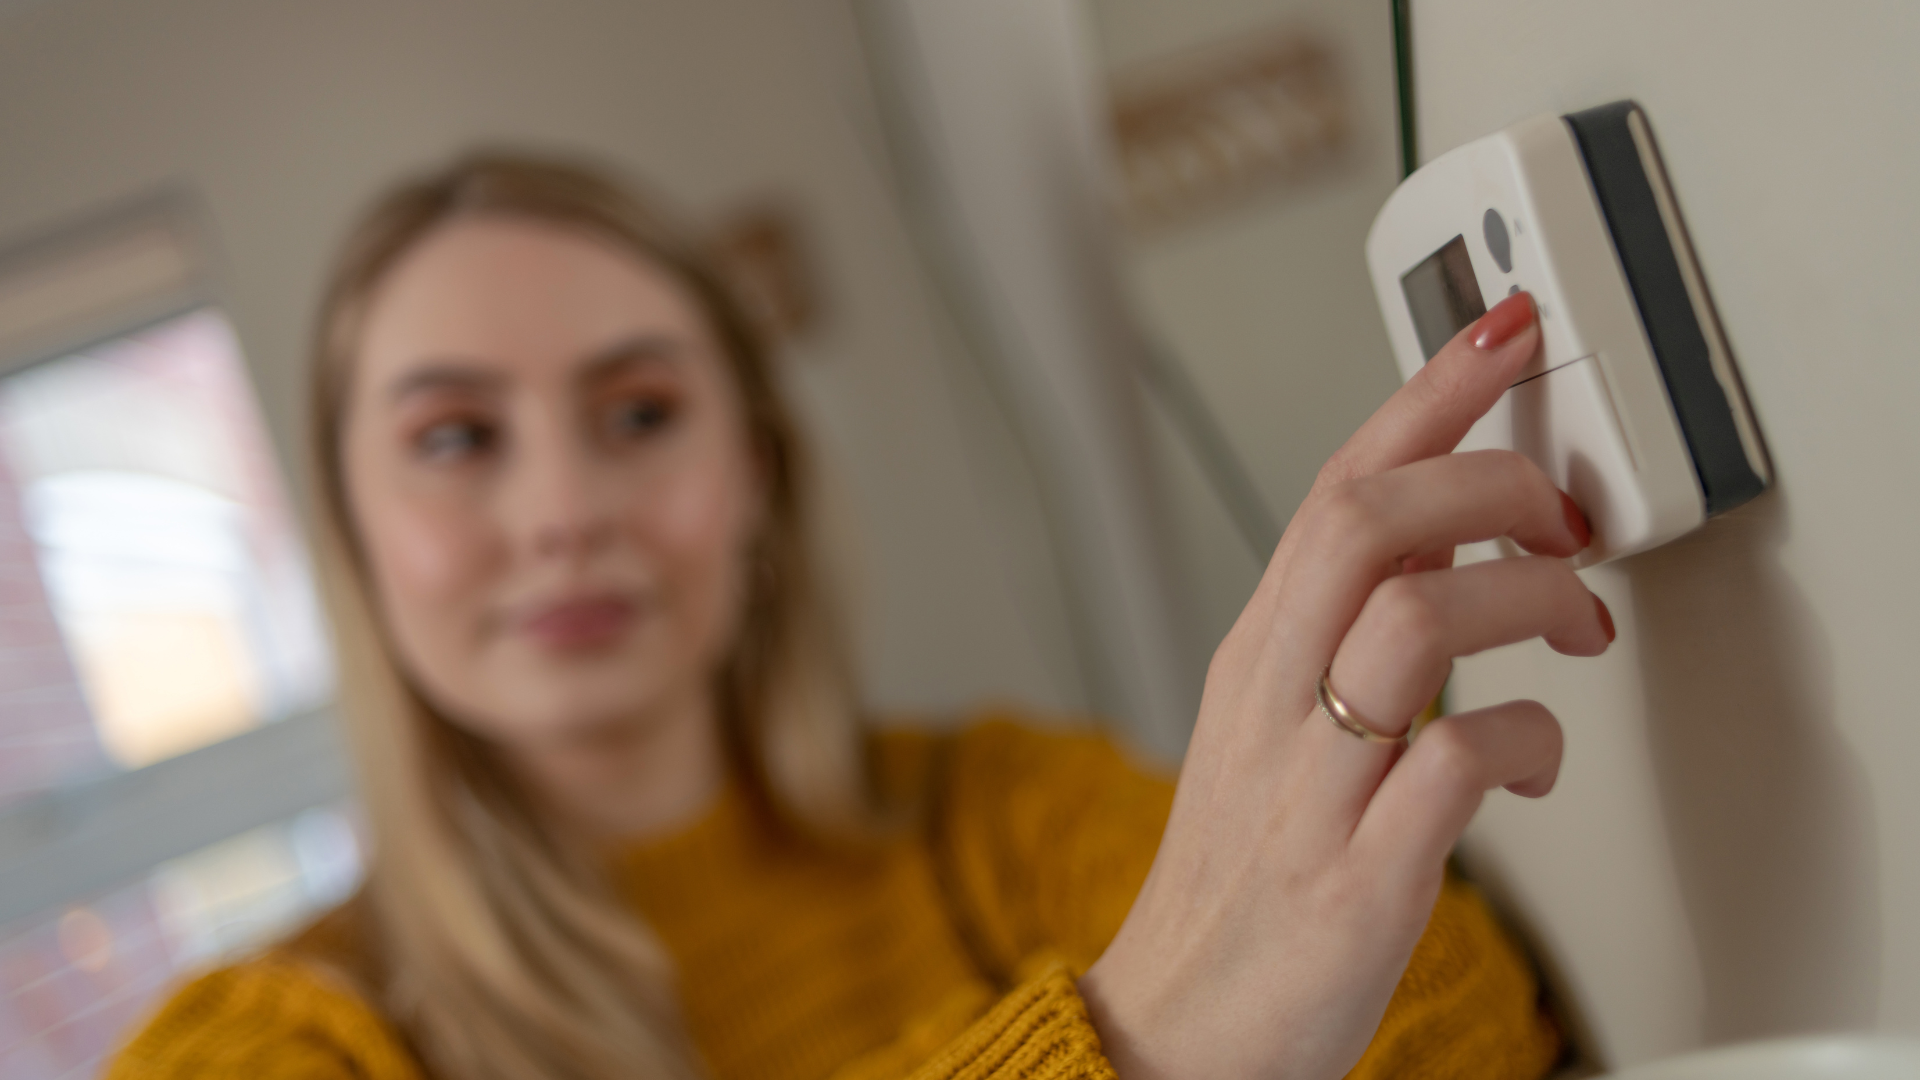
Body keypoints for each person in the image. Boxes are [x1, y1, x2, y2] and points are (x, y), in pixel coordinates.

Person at [107, 152, 1608, 1080]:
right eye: (454, 439)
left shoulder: (993, 818)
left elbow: (1447, 1016)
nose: (562, 509)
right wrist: (1135, 1038)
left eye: (639, 412)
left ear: (755, 475)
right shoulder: (286, 1042)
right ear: (349, 532)